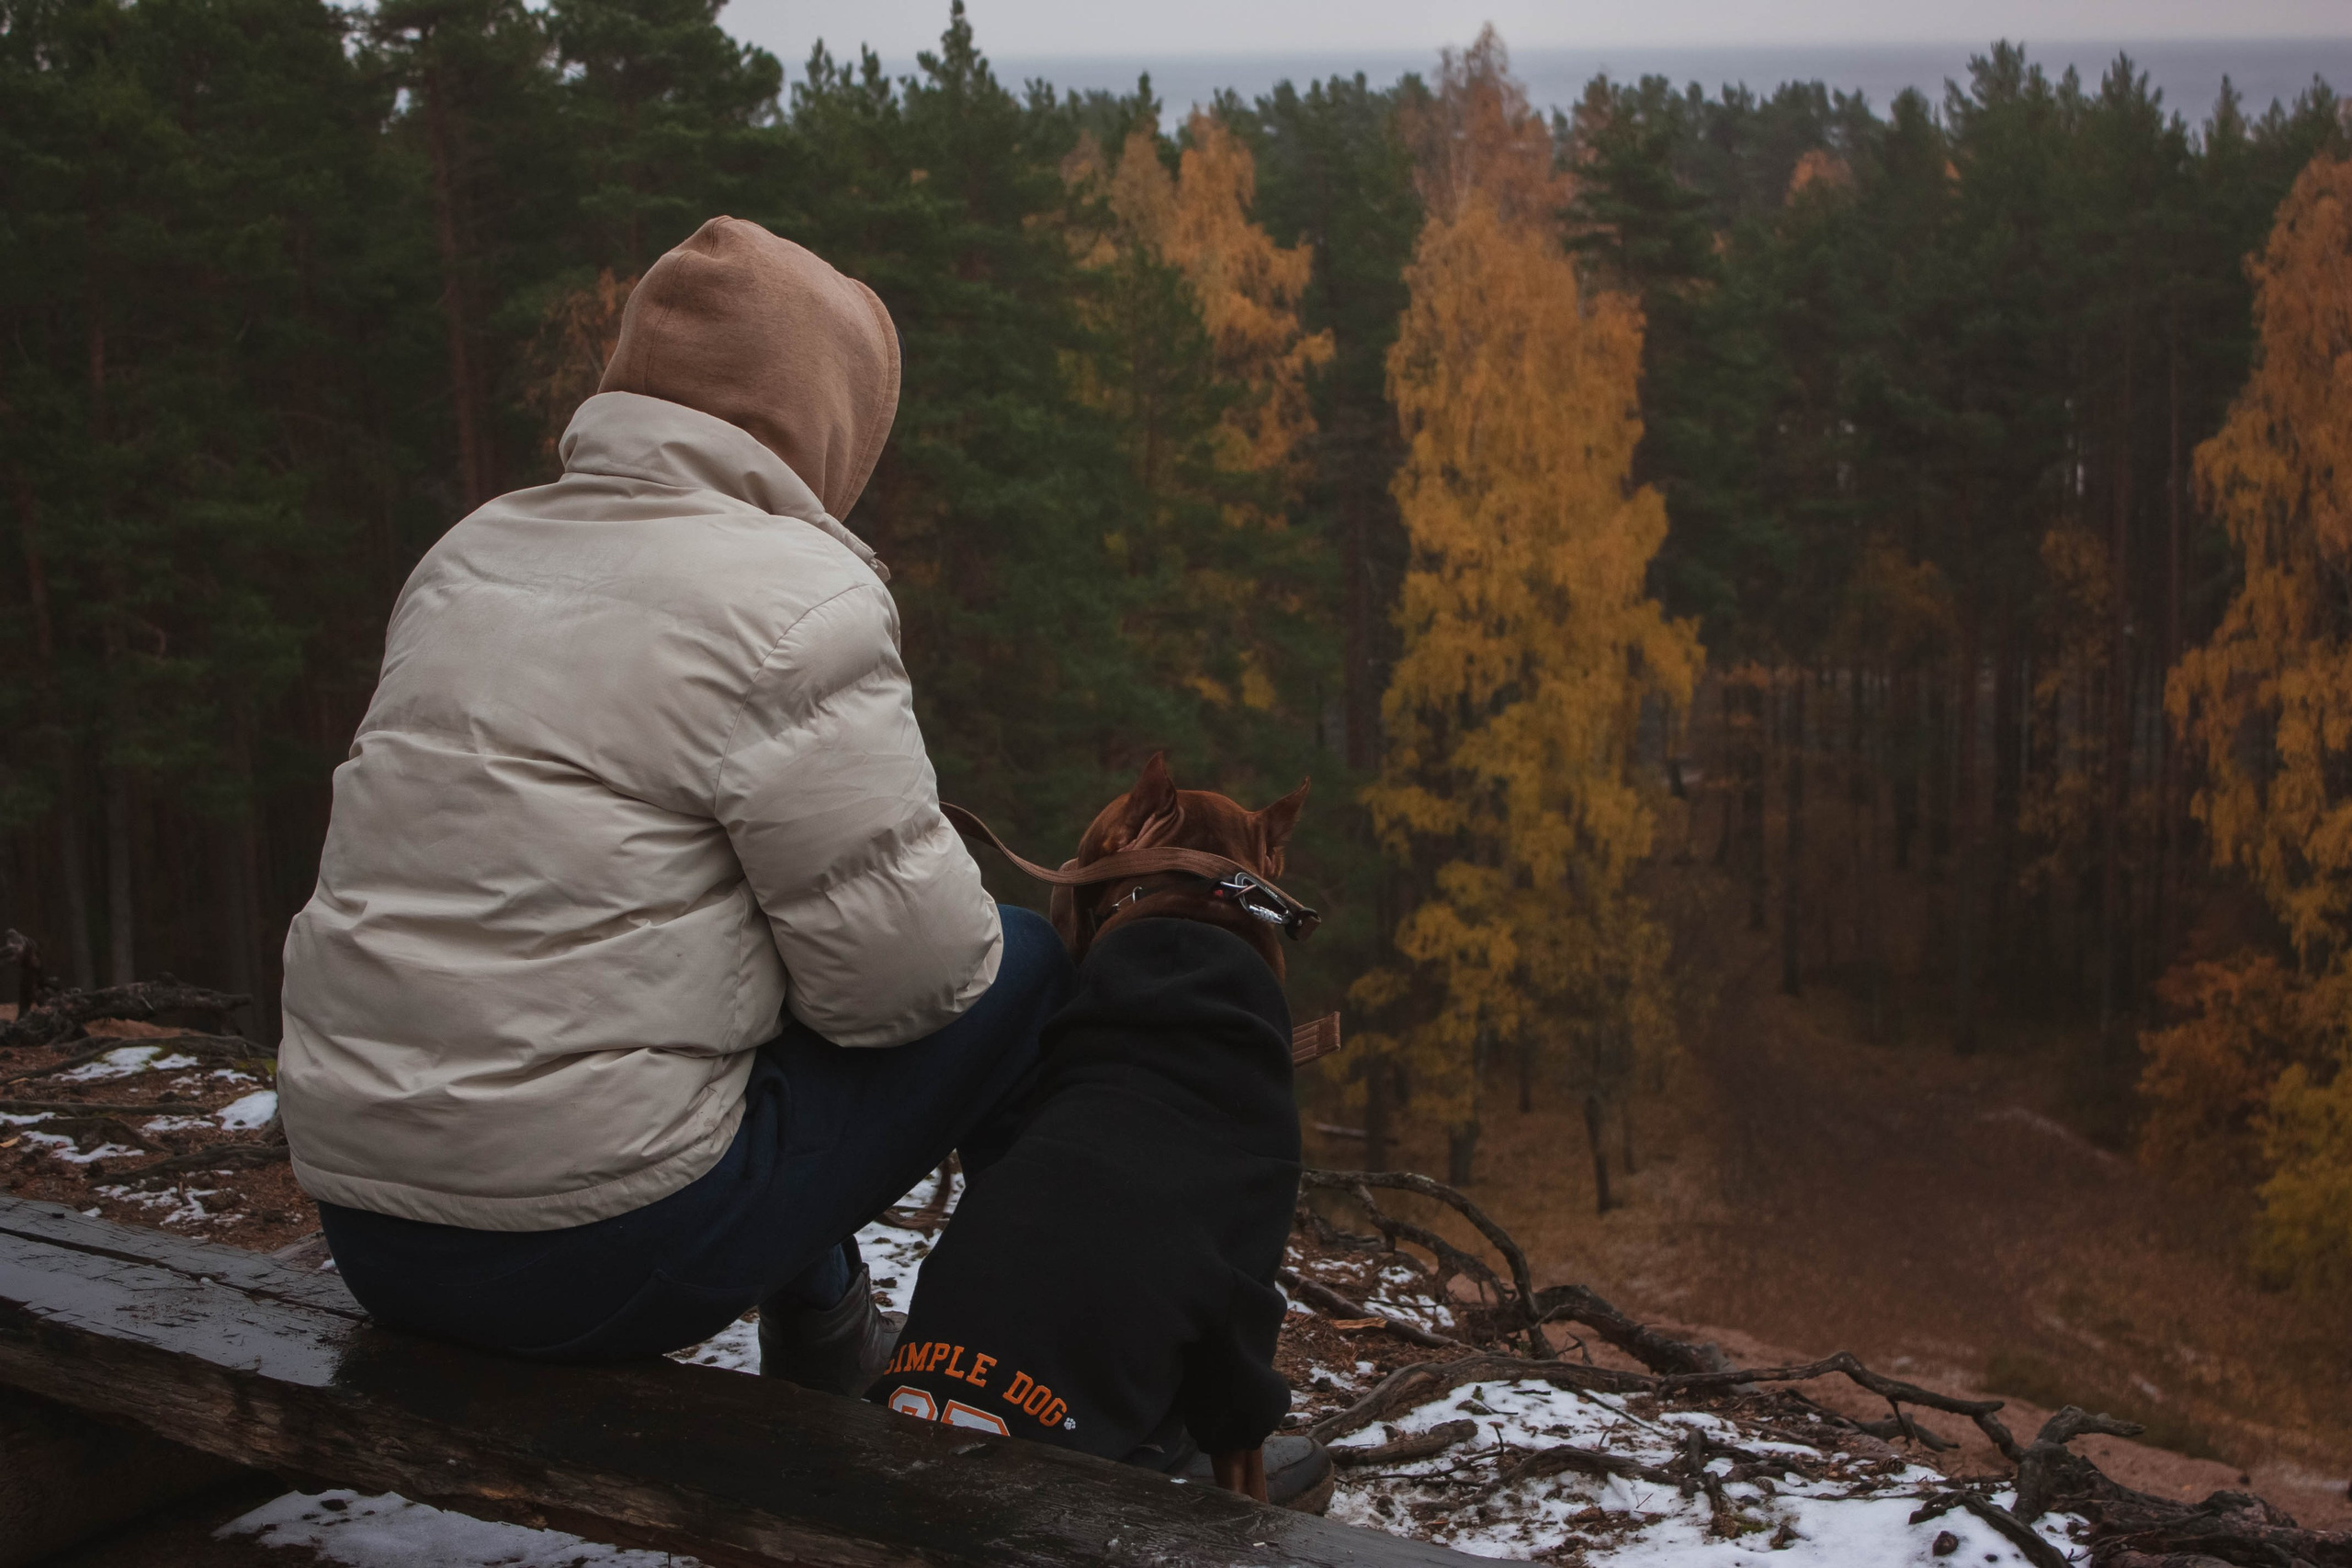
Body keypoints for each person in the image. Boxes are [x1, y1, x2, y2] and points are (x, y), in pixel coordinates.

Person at [277, 217, 1070, 1391]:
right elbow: (912, 985)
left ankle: (829, 1327)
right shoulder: (793, 598)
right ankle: (1025, 1386)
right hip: (596, 1258)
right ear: (823, 421)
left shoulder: (469, 554)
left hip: (374, 1232)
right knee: (1019, 967)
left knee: (724, 959)